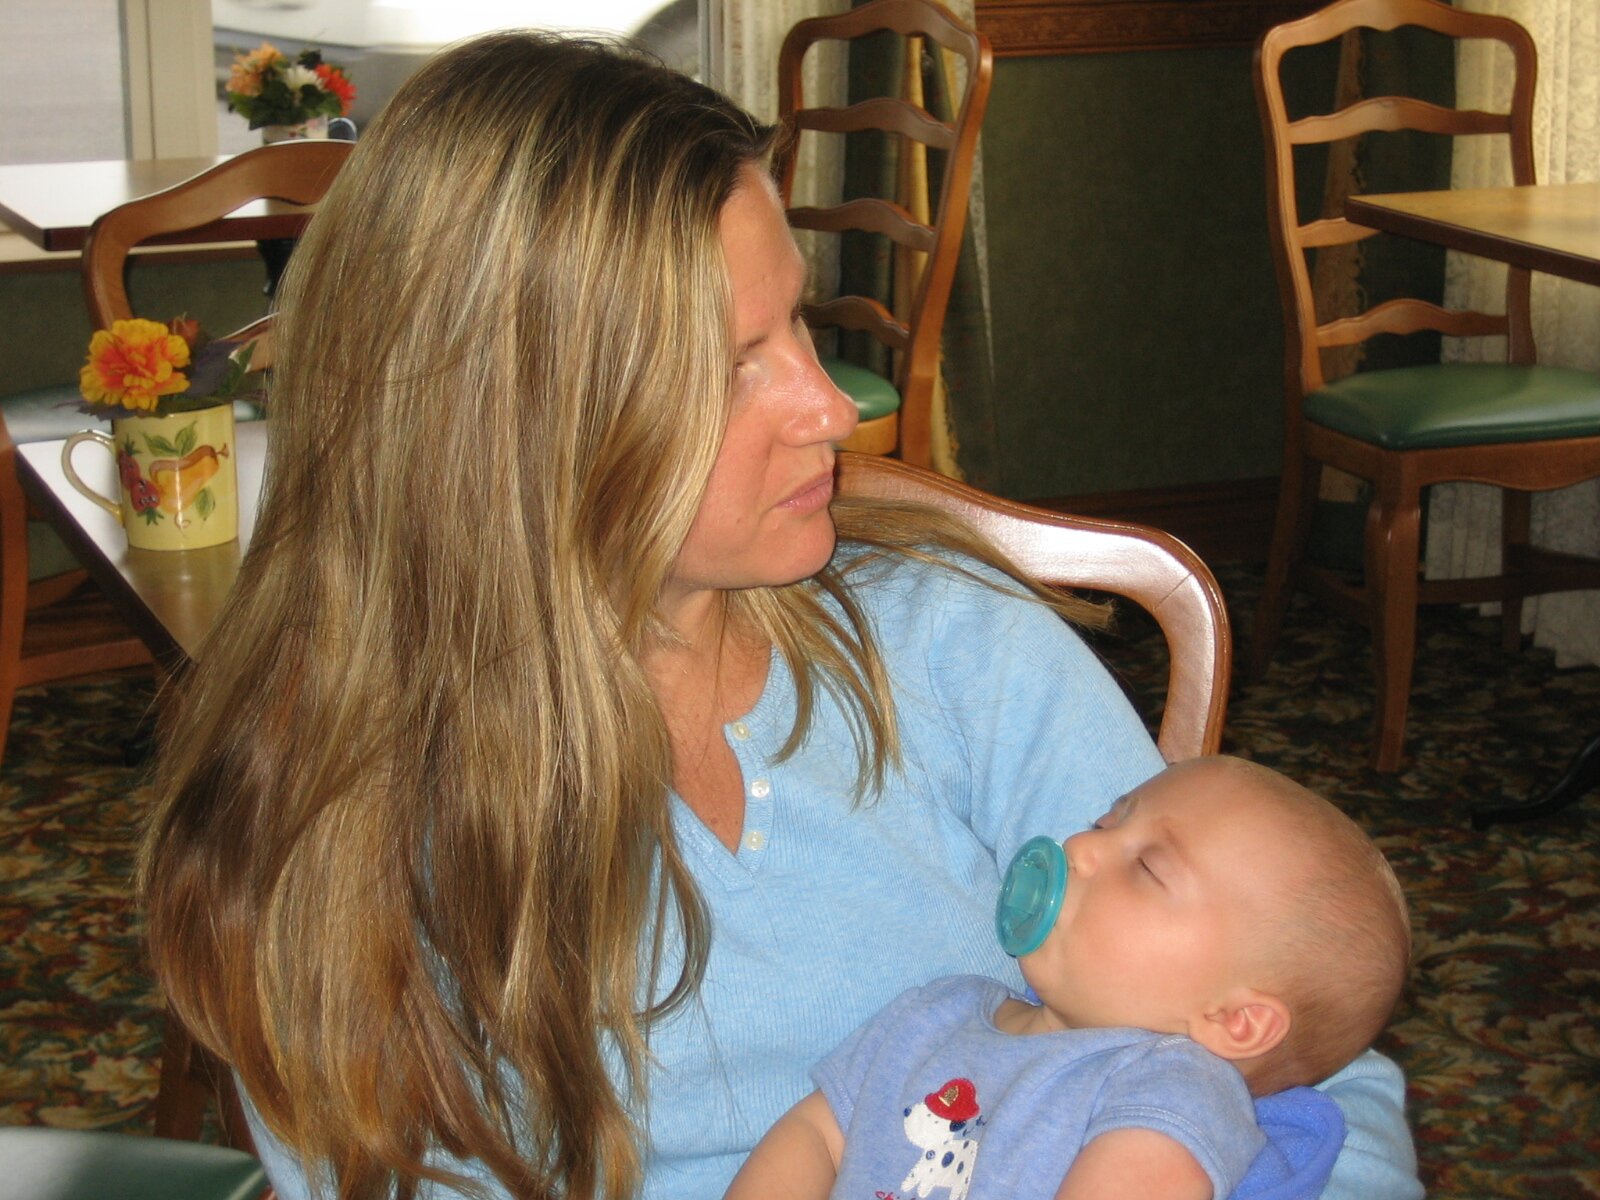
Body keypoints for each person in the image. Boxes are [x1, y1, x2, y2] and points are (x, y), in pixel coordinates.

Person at [138, 31, 1422, 1200]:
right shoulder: (336, 833)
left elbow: (1287, 1046)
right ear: (517, 433)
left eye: (796, 320)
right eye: (730, 366)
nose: (830, 407)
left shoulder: (950, 644)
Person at [726, 756, 1411, 1200]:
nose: (1079, 847)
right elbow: (815, 1135)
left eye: (1148, 867)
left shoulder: (1173, 1090)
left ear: (1233, 1019)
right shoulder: (936, 1013)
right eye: (1104, 822)